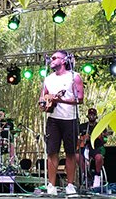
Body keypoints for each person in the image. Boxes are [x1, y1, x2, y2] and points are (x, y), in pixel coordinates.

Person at [39, 50, 84, 195]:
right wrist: (44, 104)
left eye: (54, 58)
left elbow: (80, 99)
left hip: (70, 119)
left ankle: (70, 185)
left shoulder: (74, 77)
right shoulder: (48, 79)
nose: (51, 60)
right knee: (52, 152)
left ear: (64, 61)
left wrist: (60, 100)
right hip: (53, 119)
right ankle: (51, 185)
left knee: (71, 152)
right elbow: (42, 97)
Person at [76, 108, 108, 188]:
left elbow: (105, 140)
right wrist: (83, 138)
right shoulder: (82, 126)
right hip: (85, 147)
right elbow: (76, 139)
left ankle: (97, 177)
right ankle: (86, 174)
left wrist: (101, 138)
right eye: (90, 114)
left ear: (96, 116)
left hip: (96, 147)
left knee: (99, 157)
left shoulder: (100, 127)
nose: (92, 116)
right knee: (76, 156)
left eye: (93, 115)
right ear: (87, 116)